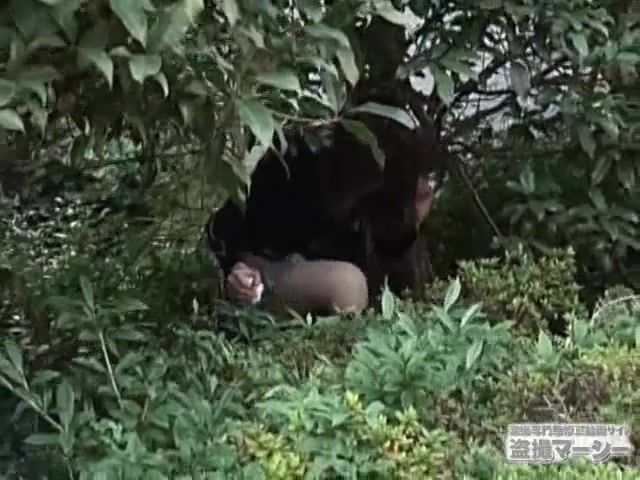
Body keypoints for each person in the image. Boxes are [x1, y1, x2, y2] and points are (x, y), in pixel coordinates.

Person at [206, 85, 446, 316]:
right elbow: (228, 232)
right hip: (265, 276)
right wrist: (239, 269)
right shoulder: (295, 163)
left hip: (329, 290)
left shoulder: (386, 193)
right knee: (347, 284)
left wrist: (412, 225)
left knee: (351, 285)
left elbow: (388, 260)